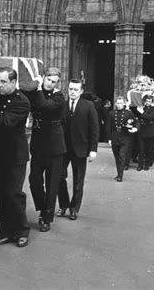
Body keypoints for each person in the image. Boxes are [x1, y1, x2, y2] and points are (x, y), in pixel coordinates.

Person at [0, 68, 30, 248]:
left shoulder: (22, 101)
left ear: (14, 82)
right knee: (0, 193)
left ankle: (21, 231)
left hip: (15, 155)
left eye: (3, 82)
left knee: (13, 193)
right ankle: (6, 232)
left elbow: (5, 122)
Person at [26, 67, 66, 232]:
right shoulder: (36, 92)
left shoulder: (59, 97)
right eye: (49, 80)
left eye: (55, 81)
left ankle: (46, 217)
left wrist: (38, 88)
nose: (51, 83)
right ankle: (42, 207)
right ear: (44, 78)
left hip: (55, 146)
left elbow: (42, 106)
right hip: (38, 144)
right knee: (34, 181)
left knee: (52, 184)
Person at [57, 79, 99, 219]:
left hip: (80, 148)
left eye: (75, 89)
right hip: (63, 149)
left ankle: (74, 209)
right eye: (70, 89)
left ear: (81, 91)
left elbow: (94, 128)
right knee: (59, 177)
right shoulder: (62, 105)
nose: (72, 92)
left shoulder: (88, 106)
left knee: (78, 180)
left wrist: (93, 149)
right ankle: (63, 205)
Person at [106, 96, 136, 182]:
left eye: (120, 103)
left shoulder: (128, 113)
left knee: (122, 156)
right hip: (115, 137)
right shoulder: (111, 113)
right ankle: (118, 173)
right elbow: (108, 127)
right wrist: (109, 138)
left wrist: (134, 128)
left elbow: (135, 121)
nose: (119, 105)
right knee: (117, 157)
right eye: (117, 103)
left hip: (125, 137)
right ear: (115, 104)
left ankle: (120, 176)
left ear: (124, 104)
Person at [136, 94, 154, 171]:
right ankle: (140, 165)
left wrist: (142, 112)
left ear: (152, 102)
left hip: (150, 131)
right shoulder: (141, 108)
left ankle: (147, 164)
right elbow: (137, 118)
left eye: (150, 101)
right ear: (144, 101)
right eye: (146, 101)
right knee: (141, 150)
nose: (148, 102)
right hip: (142, 131)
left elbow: (150, 117)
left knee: (149, 150)